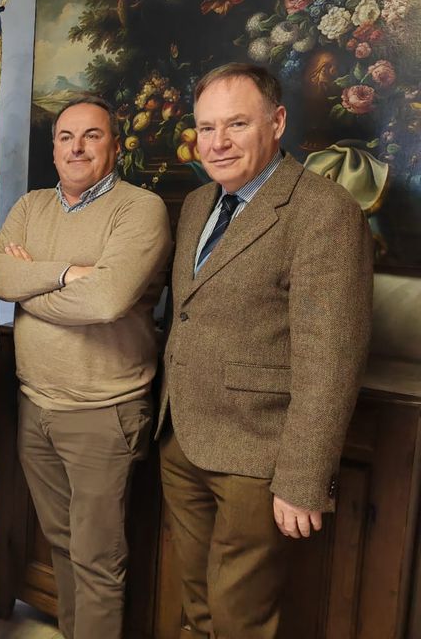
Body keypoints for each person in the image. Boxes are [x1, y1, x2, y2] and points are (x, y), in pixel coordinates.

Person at [157, 63, 373, 639]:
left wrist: (303, 479)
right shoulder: (199, 202)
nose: (217, 142)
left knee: (240, 618)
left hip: (258, 456)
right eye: (206, 128)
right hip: (182, 439)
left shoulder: (324, 211)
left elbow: (332, 358)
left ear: (276, 123)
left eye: (236, 124)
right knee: (197, 606)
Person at [0, 93, 171, 639]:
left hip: (103, 412)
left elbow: (106, 301)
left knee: (97, 560)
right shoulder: (30, 206)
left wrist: (31, 284)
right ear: (53, 149)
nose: (77, 147)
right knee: (63, 545)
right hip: (34, 406)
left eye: (92, 135)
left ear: (115, 146)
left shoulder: (140, 209)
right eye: (66, 137)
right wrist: (67, 273)